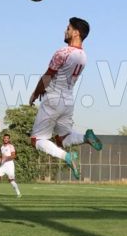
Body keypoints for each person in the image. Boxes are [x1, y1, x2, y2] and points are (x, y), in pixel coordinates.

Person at [29, 17, 103, 179]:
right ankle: (85, 138)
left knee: (36, 139)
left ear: (76, 32)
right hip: (68, 100)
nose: (65, 30)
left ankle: (67, 157)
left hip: (54, 98)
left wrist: (35, 93)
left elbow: (48, 76)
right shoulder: (83, 56)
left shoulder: (63, 52)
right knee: (62, 138)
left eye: (68, 28)